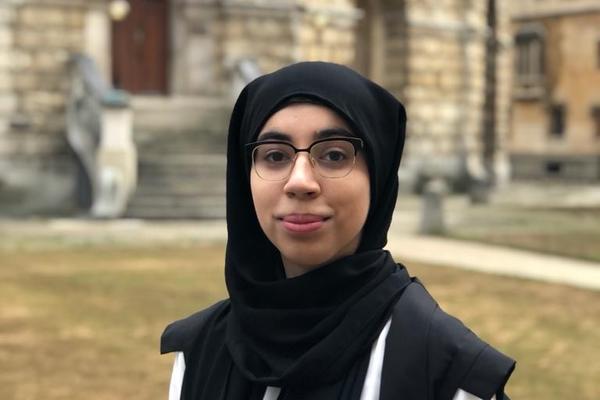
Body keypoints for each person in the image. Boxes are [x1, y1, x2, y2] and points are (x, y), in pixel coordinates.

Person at [160, 62, 515, 400]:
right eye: (274, 155)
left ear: (377, 175)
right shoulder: (199, 353)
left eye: (333, 155)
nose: (300, 182)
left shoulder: (444, 370)